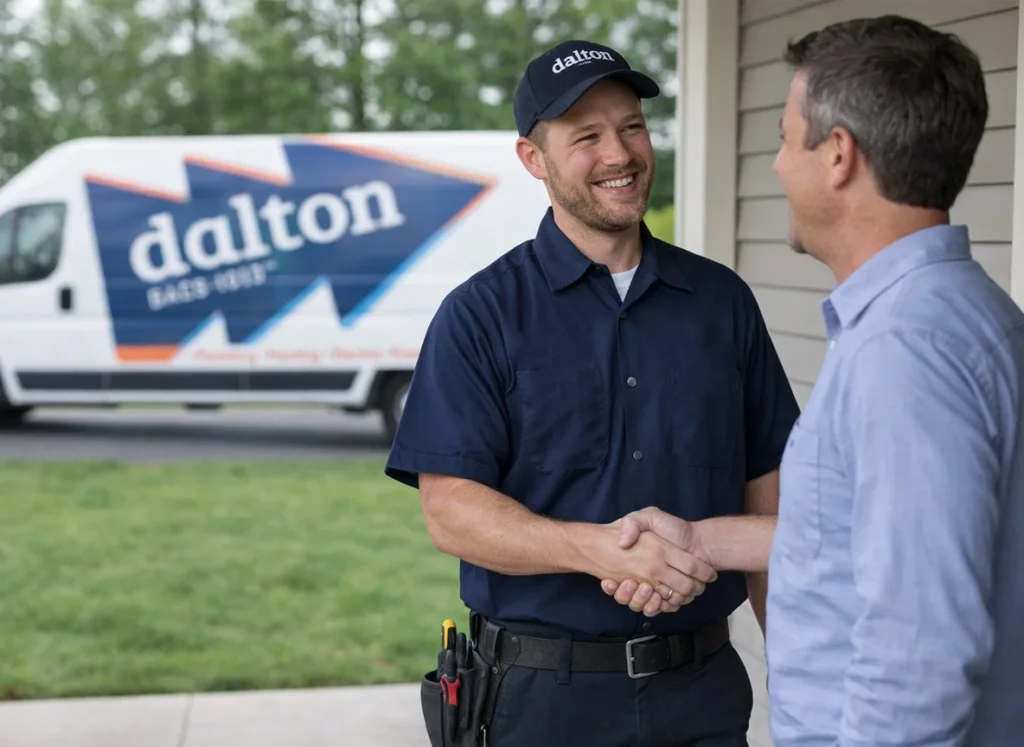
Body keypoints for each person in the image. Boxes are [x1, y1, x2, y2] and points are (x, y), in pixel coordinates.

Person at [608, 14, 1024, 747]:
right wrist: (701, 538)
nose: (774, 165)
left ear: (837, 155)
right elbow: (870, 536)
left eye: (782, 136)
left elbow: (919, 657)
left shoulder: (907, 354)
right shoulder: (961, 313)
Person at [384, 38, 799, 747]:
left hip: (702, 691)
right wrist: (598, 550)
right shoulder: (481, 314)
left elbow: (774, 501)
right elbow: (451, 511)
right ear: (533, 159)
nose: (620, 154)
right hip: (543, 701)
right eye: (587, 136)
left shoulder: (721, 304)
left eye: (632, 126)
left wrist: (798, 680)